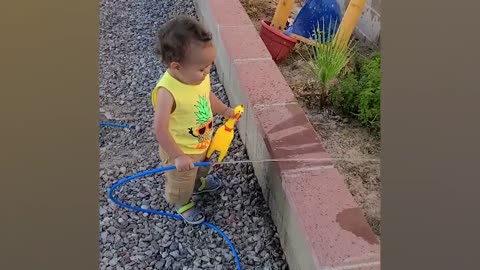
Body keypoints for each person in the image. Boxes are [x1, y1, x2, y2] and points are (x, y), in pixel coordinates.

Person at [151, 16, 235, 224]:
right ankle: (183, 202)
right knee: (182, 180)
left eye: (209, 66)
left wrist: (225, 110)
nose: (207, 72)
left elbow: (206, 96)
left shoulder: (198, 77)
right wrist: (177, 156)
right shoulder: (167, 92)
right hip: (180, 148)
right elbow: (160, 129)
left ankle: (199, 184)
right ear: (176, 66)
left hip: (202, 141)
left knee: (201, 166)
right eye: (202, 69)